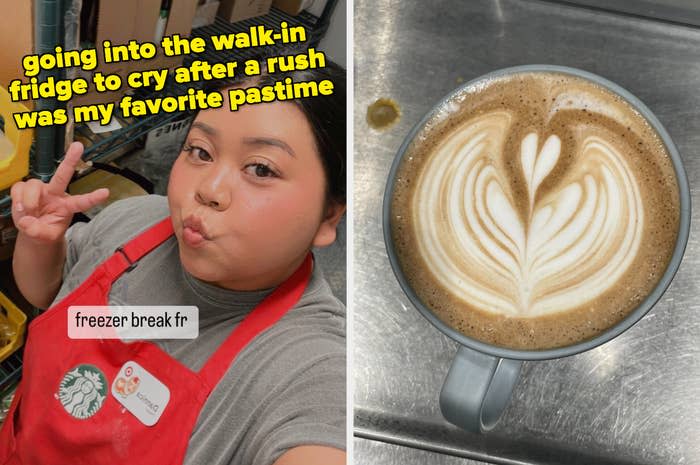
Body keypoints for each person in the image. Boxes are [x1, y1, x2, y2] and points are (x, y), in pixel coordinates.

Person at [0, 62, 346, 465]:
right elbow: (45, 293)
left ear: (329, 216)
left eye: (261, 169)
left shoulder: (306, 367)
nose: (209, 190)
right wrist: (41, 244)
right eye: (200, 151)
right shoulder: (132, 223)